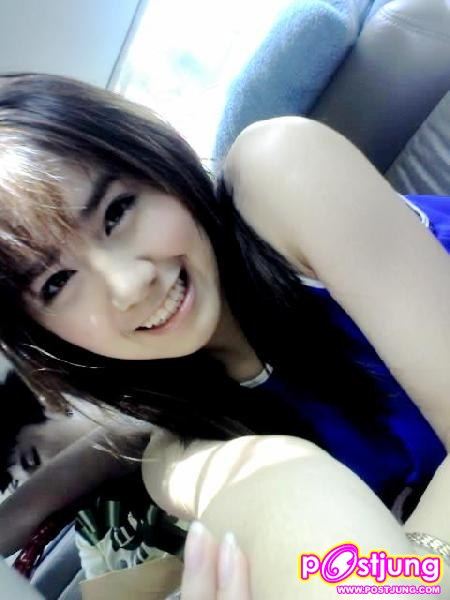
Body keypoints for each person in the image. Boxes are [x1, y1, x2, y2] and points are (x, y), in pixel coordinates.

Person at [0, 72, 449, 529]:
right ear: (44, 335)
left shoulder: (280, 168)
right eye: (56, 282)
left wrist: (400, 563)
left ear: (158, 160)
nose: (130, 284)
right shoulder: (189, 411)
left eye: (117, 212)